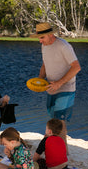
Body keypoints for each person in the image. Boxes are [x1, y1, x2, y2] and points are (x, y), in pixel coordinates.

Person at [32, 22, 80, 152]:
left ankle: (63, 152)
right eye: (39, 38)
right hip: (51, 87)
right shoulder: (45, 46)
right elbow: (45, 64)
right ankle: (59, 148)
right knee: (54, 120)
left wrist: (60, 83)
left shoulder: (64, 46)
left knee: (59, 122)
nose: (40, 41)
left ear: (50, 35)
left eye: (42, 38)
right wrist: (40, 80)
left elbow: (76, 67)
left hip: (66, 88)